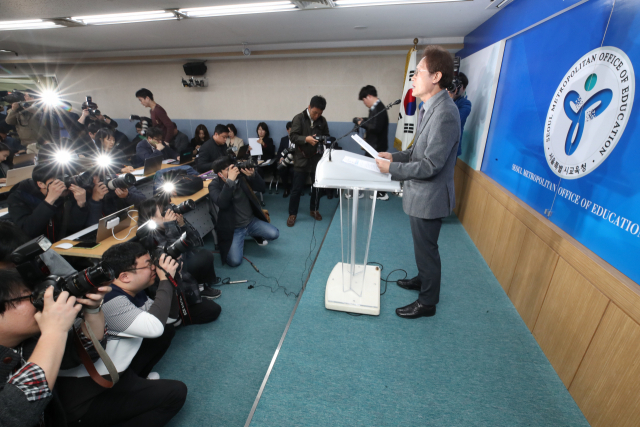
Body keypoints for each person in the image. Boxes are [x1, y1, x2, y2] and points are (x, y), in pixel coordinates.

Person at [56, 242, 187, 426]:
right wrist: (165, 280)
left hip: (114, 374)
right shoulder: (110, 300)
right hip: (87, 398)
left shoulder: (134, 292)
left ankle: (137, 380)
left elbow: (169, 320)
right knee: (176, 393)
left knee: (166, 333)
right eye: (148, 264)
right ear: (124, 276)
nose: (154, 268)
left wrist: (172, 281)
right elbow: (155, 327)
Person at [376, 45, 460, 320]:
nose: (412, 78)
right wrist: (394, 156)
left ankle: (428, 302)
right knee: (422, 247)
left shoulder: (445, 112)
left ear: (436, 77)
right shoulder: (429, 108)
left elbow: (431, 165)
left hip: (431, 196)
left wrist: (393, 168)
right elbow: (415, 152)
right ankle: (423, 280)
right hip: (420, 193)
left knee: (427, 250)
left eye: (417, 72)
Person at [0, 269, 110, 427]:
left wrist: (91, 309)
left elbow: (88, 351)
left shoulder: (29, 342)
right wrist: (54, 331)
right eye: (28, 296)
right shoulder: (44, 336)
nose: (40, 303)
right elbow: (11, 417)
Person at [136, 197, 223, 309]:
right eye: (163, 213)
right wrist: (170, 226)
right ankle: (192, 292)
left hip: (184, 262)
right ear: (151, 219)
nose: (168, 214)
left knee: (204, 255)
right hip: (174, 271)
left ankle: (201, 287)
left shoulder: (168, 224)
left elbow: (197, 242)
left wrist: (183, 225)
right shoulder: (150, 237)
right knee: (212, 309)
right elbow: (175, 258)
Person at [208, 156, 279, 267]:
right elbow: (222, 203)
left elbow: (262, 188)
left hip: (251, 221)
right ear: (219, 174)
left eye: (233, 168)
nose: (233, 171)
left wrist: (254, 175)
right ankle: (246, 236)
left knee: (274, 234)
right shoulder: (214, 185)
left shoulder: (242, 177)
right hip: (234, 228)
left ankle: (253, 234)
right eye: (228, 170)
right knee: (234, 261)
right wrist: (230, 181)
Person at [7, 163, 90, 242]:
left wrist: (81, 204)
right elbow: (27, 231)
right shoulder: (20, 196)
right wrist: (49, 200)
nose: (64, 185)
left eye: (66, 179)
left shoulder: (67, 193)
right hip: (38, 249)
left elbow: (73, 227)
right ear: (41, 184)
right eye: (58, 182)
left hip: (64, 245)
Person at [287, 95, 329, 227]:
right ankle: (292, 214)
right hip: (301, 158)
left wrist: (322, 139)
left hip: (316, 159)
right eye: (315, 112)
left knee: (317, 187)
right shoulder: (299, 118)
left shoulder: (322, 121)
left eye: (319, 113)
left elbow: (327, 136)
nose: (317, 116)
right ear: (309, 107)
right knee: (297, 189)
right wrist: (306, 139)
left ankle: (314, 210)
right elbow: (293, 136)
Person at [356, 85, 390, 201]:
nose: (364, 103)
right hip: (374, 144)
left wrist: (362, 123)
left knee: (374, 169)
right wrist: (364, 120)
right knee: (374, 170)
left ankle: (379, 193)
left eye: (364, 100)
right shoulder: (375, 108)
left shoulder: (379, 108)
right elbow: (373, 122)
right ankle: (379, 192)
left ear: (369, 97)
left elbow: (376, 127)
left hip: (377, 146)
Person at [448, 72, 471, 156]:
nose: (453, 88)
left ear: (464, 88)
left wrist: (449, 98)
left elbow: (454, 120)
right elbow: (423, 106)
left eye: (457, 85)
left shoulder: (465, 104)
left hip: (452, 149)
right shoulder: (440, 97)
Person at [277, 121, 295, 198]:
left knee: (293, 171)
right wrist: (281, 158)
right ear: (287, 130)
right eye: (291, 130)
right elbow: (279, 152)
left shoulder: (299, 140)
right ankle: (286, 189)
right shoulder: (284, 139)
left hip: (295, 162)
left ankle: (295, 190)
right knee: (282, 170)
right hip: (285, 162)